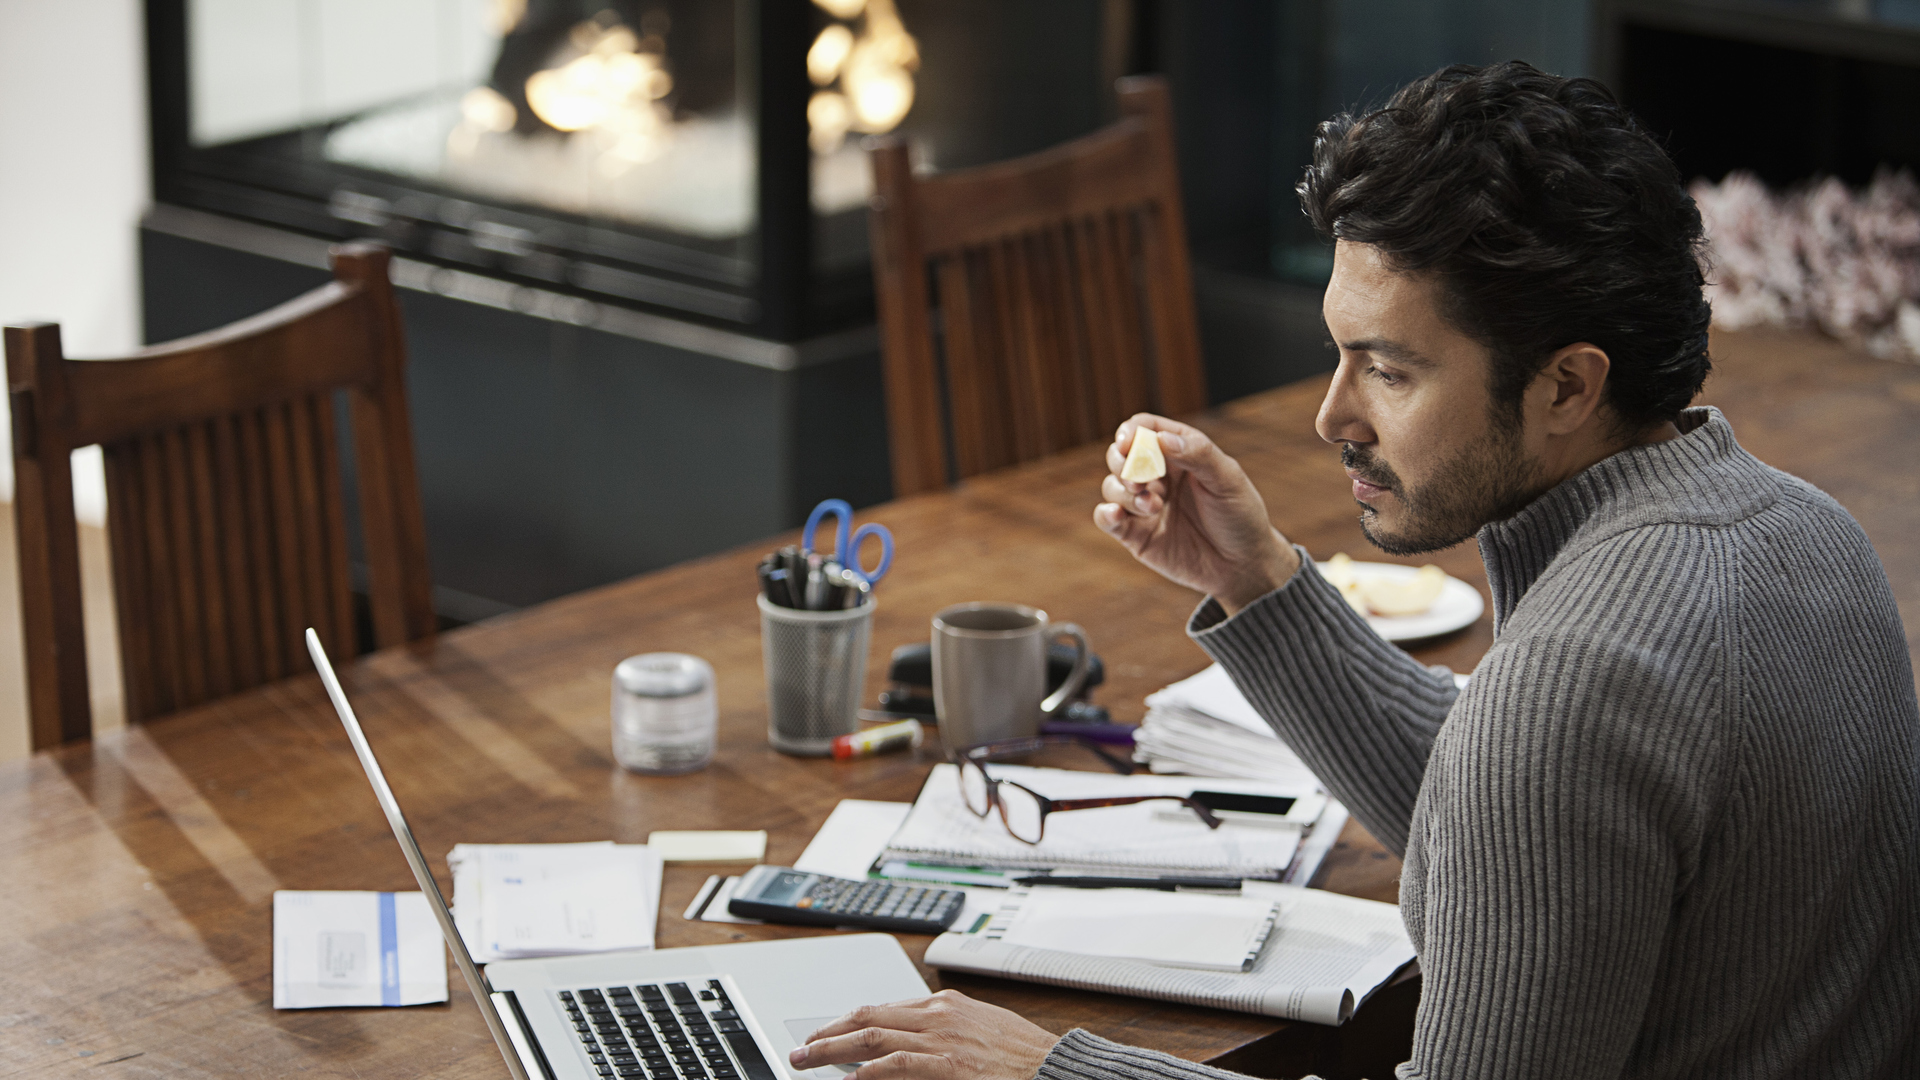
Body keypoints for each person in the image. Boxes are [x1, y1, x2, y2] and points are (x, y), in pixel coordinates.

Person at [788, 61, 1920, 1079]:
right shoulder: (1809, 536)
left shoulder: (1571, 687)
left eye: (1387, 370)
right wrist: (1262, 584)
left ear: (1569, 387)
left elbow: (1536, 764)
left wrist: (1049, 1074)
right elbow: (1548, 829)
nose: (1334, 415)